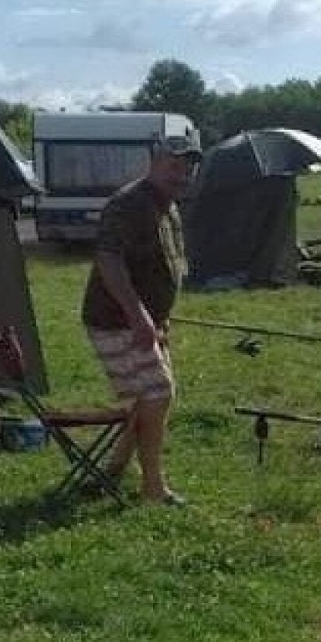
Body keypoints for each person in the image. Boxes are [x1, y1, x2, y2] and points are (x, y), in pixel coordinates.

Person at [80, 136, 201, 505]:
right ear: (153, 163)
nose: (181, 174)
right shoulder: (128, 204)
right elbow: (109, 260)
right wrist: (139, 317)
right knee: (157, 393)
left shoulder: (167, 205)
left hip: (146, 321)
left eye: (187, 168)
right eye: (173, 165)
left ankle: (112, 470)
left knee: (148, 397)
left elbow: (165, 265)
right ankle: (153, 488)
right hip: (116, 319)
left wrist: (160, 319)